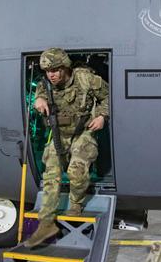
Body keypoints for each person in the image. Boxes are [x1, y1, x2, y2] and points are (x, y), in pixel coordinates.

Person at [24, 48, 109, 247]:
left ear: (65, 67)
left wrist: (101, 116)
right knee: (50, 176)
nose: (51, 74)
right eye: (47, 71)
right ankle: (46, 225)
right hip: (59, 134)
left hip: (83, 131)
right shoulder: (45, 83)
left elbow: (107, 97)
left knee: (76, 171)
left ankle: (76, 203)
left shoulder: (86, 79)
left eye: (55, 70)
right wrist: (39, 99)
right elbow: (39, 92)